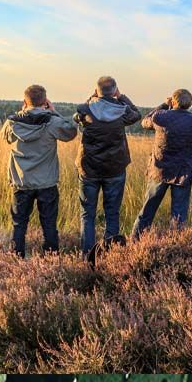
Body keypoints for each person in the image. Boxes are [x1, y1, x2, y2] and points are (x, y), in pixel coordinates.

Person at [1, 84, 77, 257]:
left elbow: (4, 137)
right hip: (46, 182)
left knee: (19, 224)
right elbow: (71, 132)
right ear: (45, 102)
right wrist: (54, 112)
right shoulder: (52, 122)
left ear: (24, 102)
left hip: (21, 182)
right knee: (49, 224)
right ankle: (50, 260)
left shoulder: (12, 123)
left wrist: (24, 111)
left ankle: (15, 260)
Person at [132, 88, 192, 238]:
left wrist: (164, 105)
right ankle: (175, 247)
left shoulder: (160, 116)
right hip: (183, 173)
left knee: (147, 211)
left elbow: (145, 121)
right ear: (190, 104)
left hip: (159, 171)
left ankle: (134, 244)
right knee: (178, 217)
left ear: (173, 102)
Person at [73, 75, 140, 260]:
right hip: (114, 168)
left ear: (97, 90)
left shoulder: (86, 110)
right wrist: (122, 97)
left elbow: (76, 117)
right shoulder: (122, 111)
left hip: (89, 169)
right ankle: (108, 257)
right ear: (115, 90)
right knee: (112, 213)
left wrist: (92, 97)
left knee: (87, 214)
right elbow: (137, 114)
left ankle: (87, 258)